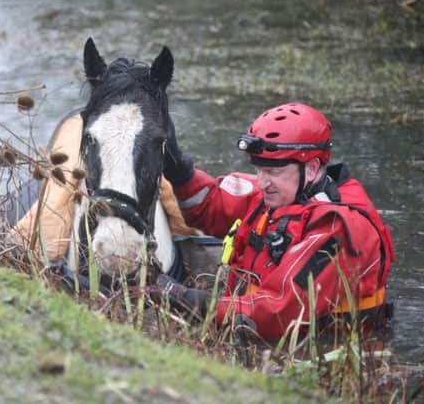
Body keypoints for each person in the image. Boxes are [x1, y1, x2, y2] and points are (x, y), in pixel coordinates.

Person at [159, 102, 395, 340]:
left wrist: (180, 297)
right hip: (252, 329)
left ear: (312, 168)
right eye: (259, 170)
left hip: (318, 353)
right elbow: (209, 204)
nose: (262, 182)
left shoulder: (338, 229)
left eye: (273, 172)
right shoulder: (282, 192)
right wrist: (179, 170)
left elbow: (277, 314)